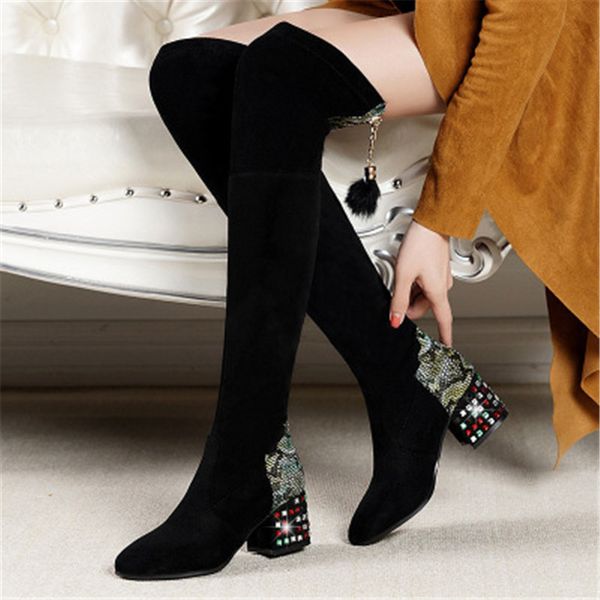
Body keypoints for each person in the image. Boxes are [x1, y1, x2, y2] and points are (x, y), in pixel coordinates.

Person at [113, 0, 598, 580]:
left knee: (279, 73)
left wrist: (437, 221)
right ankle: (401, 378)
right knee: (190, 72)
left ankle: (244, 463)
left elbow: (526, 22)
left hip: (531, 33)